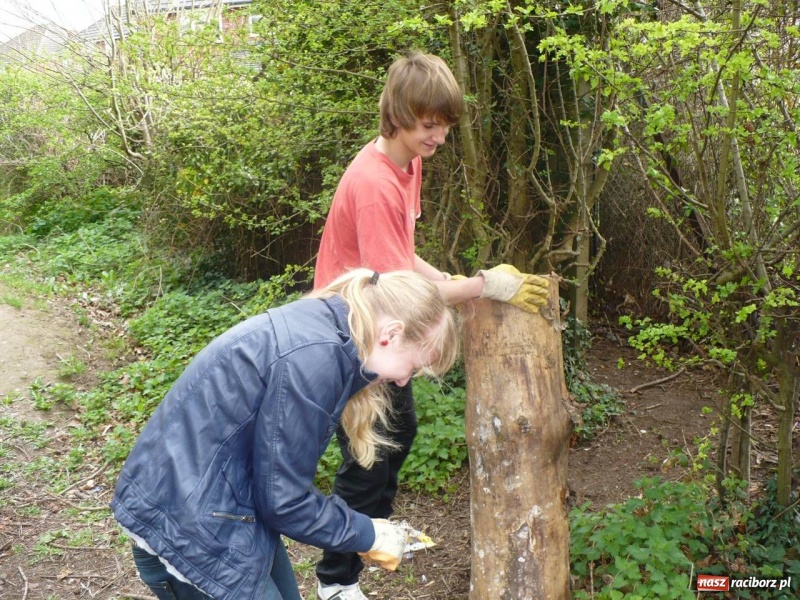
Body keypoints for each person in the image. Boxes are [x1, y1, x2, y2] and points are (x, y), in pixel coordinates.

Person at [313, 51, 549, 600]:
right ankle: (335, 581)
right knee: (370, 454)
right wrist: (480, 285)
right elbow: (396, 291)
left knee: (398, 437)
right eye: (428, 125)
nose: (438, 137)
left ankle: (370, 536)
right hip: (353, 331)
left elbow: (404, 259)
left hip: (381, 322)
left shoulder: (406, 163)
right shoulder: (373, 184)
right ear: (396, 115)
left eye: (444, 126)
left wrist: (452, 277)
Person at [110, 268, 461, 600]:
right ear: (391, 334)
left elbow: (276, 480)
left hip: (224, 508)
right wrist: (369, 534)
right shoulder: (314, 358)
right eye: (413, 367)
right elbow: (285, 502)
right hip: (184, 529)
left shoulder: (328, 330)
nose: (403, 381)